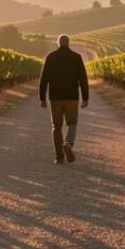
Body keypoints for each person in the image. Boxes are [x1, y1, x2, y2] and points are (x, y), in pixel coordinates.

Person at [39, 34, 89, 163]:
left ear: (58, 43)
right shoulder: (76, 57)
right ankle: (68, 143)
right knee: (72, 123)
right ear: (69, 43)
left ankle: (59, 157)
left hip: (55, 97)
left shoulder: (50, 57)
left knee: (56, 126)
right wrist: (85, 98)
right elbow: (83, 78)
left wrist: (42, 98)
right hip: (72, 97)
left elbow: (43, 79)